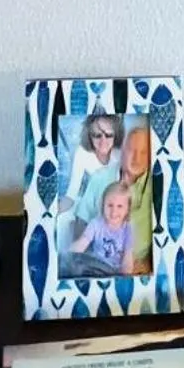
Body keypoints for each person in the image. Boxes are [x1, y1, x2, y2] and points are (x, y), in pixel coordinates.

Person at [57, 114, 122, 227]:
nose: (103, 140)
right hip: (93, 205)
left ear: (116, 135)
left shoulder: (121, 153)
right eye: (97, 135)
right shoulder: (82, 153)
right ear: (89, 136)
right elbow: (71, 195)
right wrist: (51, 212)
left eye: (109, 135)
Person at [73, 183, 134, 275]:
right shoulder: (95, 224)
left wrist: (125, 275)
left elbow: (128, 259)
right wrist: (68, 257)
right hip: (94, 267)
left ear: (127, 209)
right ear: (103, 205)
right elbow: (82, 243)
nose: (114, 211)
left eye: (120, 206)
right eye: (110, 205)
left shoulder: (128, 230)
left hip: (114, 272)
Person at [119, 123, 155, 275]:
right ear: (123, 152)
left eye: (143, 152)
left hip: (138, 273)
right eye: (132, 150)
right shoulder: (100, 178)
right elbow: (81, 224)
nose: (136, 158)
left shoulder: (157, 186)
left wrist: (147, 265)